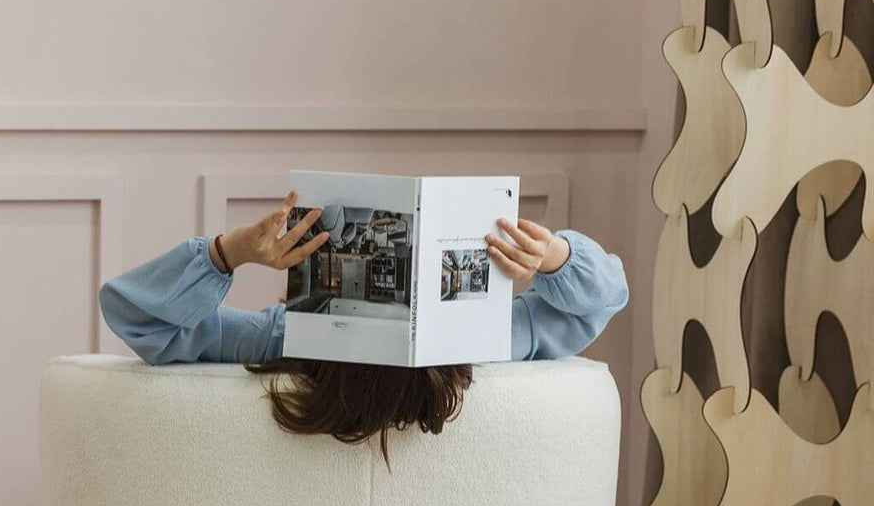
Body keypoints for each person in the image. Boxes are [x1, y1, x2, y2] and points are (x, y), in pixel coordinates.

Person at [99, 190, 628, 461]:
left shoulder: (284, 337)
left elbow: (135, 316)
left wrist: (230, 252)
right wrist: (556, 256)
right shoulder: (482, 341)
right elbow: (601, 302)